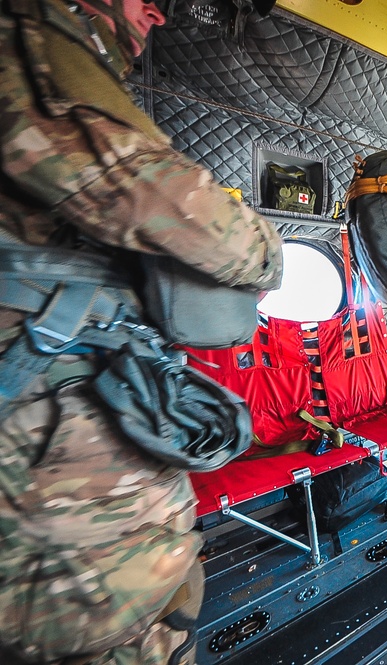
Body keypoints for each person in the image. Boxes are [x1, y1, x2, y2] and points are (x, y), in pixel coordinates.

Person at [0, 0, 284, 662]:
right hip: (47, 420)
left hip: (75, 400)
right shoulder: (31, 39)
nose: (157, 12)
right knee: (105, 616)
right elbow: (166, 199)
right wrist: (266, 253)